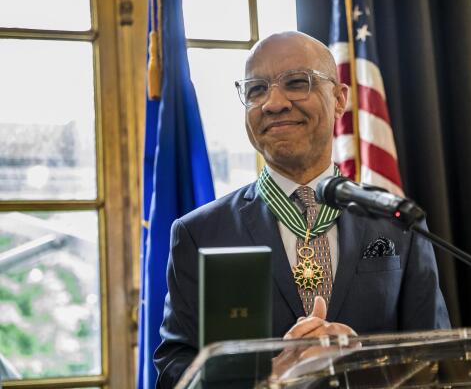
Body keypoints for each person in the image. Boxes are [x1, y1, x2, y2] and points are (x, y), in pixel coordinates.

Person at [154, 31, 450, 388]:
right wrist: (267, 380)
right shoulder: (199, 233)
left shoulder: (397, 221)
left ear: (339, 99)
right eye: (256, 89)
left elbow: (436, 356)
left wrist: (365, 366)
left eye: (297, 83)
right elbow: (175, 373)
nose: (273, 103)